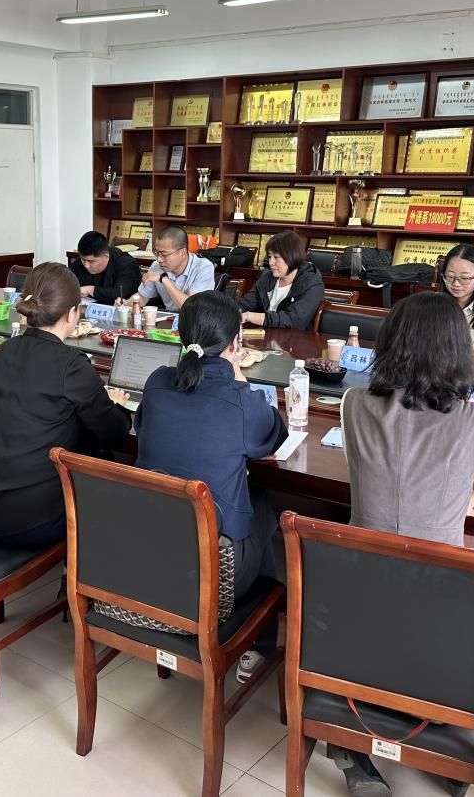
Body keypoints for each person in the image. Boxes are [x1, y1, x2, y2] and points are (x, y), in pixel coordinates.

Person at [332, 291, 474, 797]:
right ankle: (439, 734)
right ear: (456, 351)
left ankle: (353, 738)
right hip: (439, 591)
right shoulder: (473, 418)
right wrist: (463, 497)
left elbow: (371, 474)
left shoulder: (353, 405)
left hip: (357, 582)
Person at [134, 290, 287, 681]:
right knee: (263, 505)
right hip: (213, 575)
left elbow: (142, 425)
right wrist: (239, 377)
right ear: (235, 344)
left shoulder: (157, 382)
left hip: (147, 557)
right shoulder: (240, 401)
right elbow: (274, 434)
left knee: (251, 504)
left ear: (180, 336)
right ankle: (259, 641)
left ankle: (256, 637)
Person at [0, 263, 132, 546]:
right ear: (72, 313)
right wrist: (115, 404)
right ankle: (82, 569)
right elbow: (113, 431)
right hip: (30, 520)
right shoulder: (71, 365)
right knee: (105, 473)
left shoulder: (6, 350)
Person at [238, 230, 324, 329]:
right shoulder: (266, 277)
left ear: (292, 256)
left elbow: (292, 320)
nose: (271, 262)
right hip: (265, 335)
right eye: (269, 256)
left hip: (293, 337)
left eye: (276, 257)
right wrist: (233, 311)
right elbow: (246, 304)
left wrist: (249, 316)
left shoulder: (313, 285)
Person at [129, 225, 215, 313]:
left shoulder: (204, 267)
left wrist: (163, 279)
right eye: (157, 253)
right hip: (170, 318)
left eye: (164, 254)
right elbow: (142, 297)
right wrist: (126, 303)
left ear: (182, 252)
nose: (159, 259)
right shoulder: (157, 266)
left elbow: (190, 308)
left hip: (196, 319)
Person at [69, 230, 143, 303]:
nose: (86, 265)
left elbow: (120, 294)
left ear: (106, 256)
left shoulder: (126, 264)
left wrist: (90, 290)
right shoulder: (81, 261)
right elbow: (66, 282)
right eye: (83, 259)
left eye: (91, 261)